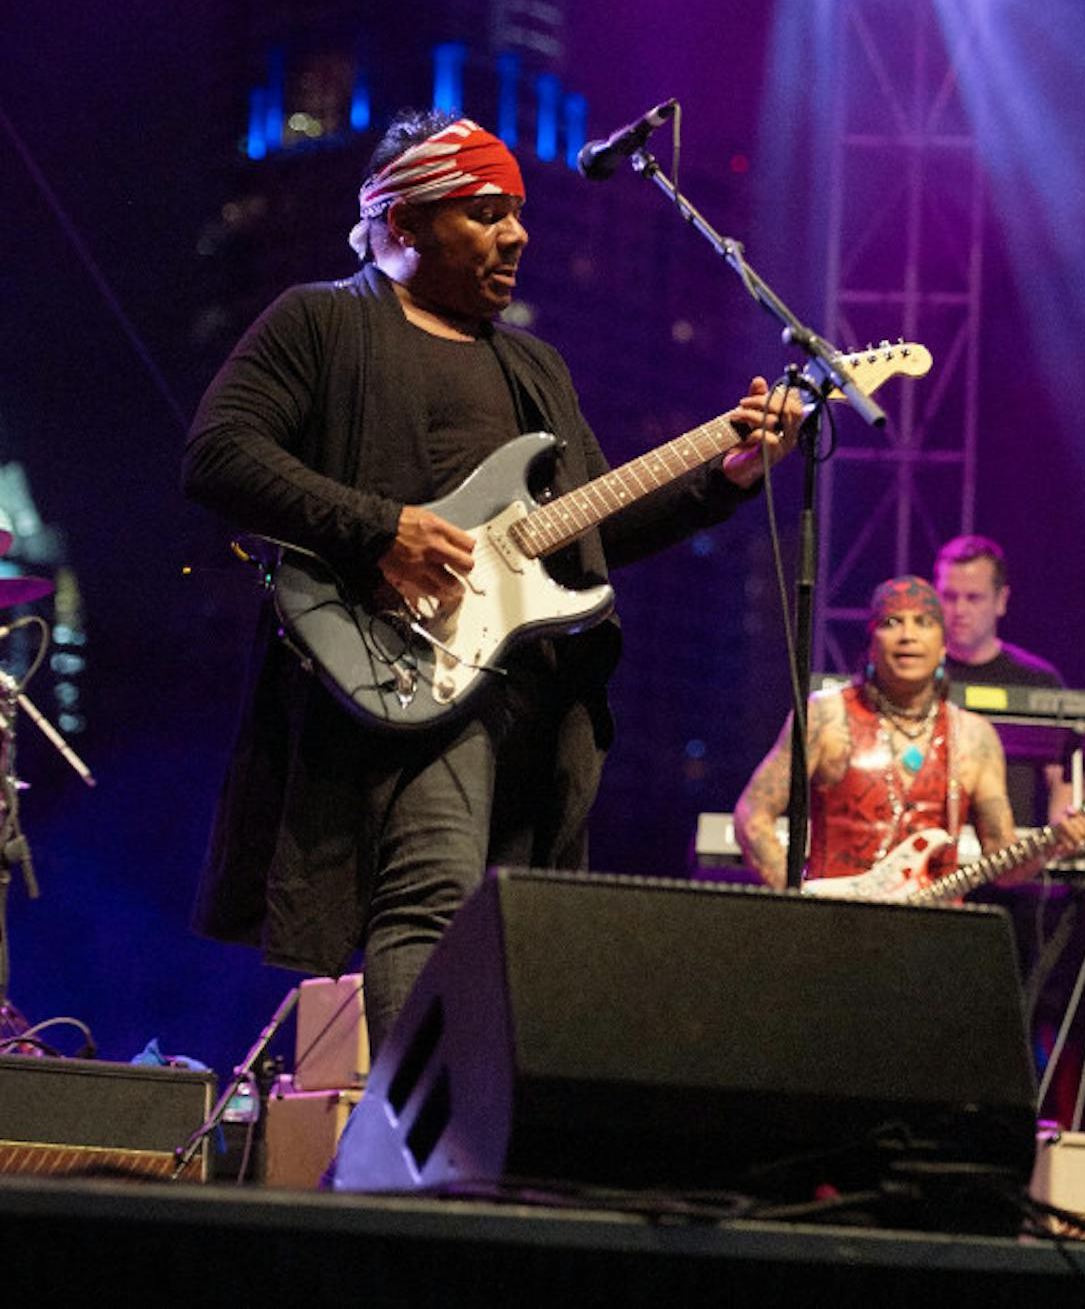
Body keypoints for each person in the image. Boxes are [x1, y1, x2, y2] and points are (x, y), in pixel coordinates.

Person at [183, 110, 802, 1048]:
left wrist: (727, 480)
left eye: (516, 212)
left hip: (524, 690)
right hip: (400, 669)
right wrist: (382, 527)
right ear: (402, 224)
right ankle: (412, 1166)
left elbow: (594, 531)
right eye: (484, 212)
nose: (517, 234)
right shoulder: (322, 319)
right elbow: (219, 455)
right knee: (431, 896)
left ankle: (471, 1151)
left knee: (499, 924)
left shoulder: (532, 367)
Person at [733, 575, 1085, 892]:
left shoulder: (973, 736)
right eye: (892, 622)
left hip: (933, 938)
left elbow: (1003, 865)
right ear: (871, 641)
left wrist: (1053, 842)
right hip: (836, 928)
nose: (908, 635)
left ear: (943, 645)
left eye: (923, 622)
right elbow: (752, 816)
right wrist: (800, 899)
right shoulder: (824, 715)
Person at [934, 534, 1069, 824]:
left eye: (973, 598)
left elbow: (1062, 777)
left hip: (1010, 856)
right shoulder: (918, 674)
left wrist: (1065, 819)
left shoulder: (1036, 680)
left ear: (1001, 600)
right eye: (949, 596)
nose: (959, 611)